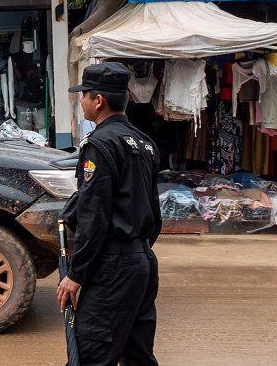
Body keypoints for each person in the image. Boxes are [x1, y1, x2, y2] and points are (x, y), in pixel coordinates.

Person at [58, 62, 162, 366]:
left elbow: (94, 217)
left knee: (91, 355)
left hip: (114, 267)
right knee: (137, 355)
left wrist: (76, 275)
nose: (82, 101)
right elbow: (154, 216)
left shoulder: (100, 145)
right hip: (142, 261)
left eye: (84, 96)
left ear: (99, 100)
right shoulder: (145, 144)